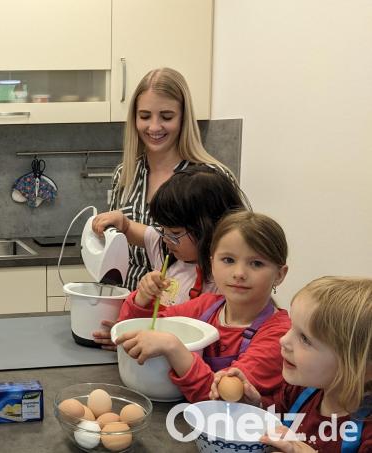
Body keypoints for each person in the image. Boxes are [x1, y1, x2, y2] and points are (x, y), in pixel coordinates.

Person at [114, 211, 291, 403]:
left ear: (279, 275)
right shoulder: (206, 306)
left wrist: (173, 347)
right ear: (212, 263)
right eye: (228, 260)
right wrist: (143, 298)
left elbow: (224, 398)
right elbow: (132, 333)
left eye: (256, 263)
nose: (239, 273)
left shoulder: (280, 335)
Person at [91, 67, 235, 291]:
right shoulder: (126, 173)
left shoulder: (211, 177)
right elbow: (116, 246)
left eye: (167, 116)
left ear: (183, 118)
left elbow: (236, 252)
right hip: (128, 300)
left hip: (188, 305)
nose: (154, 127)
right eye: (144, 116)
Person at [210, 277, 372, 453]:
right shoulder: (300, 392)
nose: (284, 340)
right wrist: (254, 406)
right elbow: (275, 419)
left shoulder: (367, 432)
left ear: (361, 367)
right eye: (292, 327)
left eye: (305, 339)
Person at [92, 166, 248, 348]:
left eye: (175, 233)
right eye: (162, 229)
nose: (165, 239)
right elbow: (128, 228)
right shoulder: (164, 247)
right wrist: (121, 221)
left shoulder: (225, 279)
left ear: (211, 228)